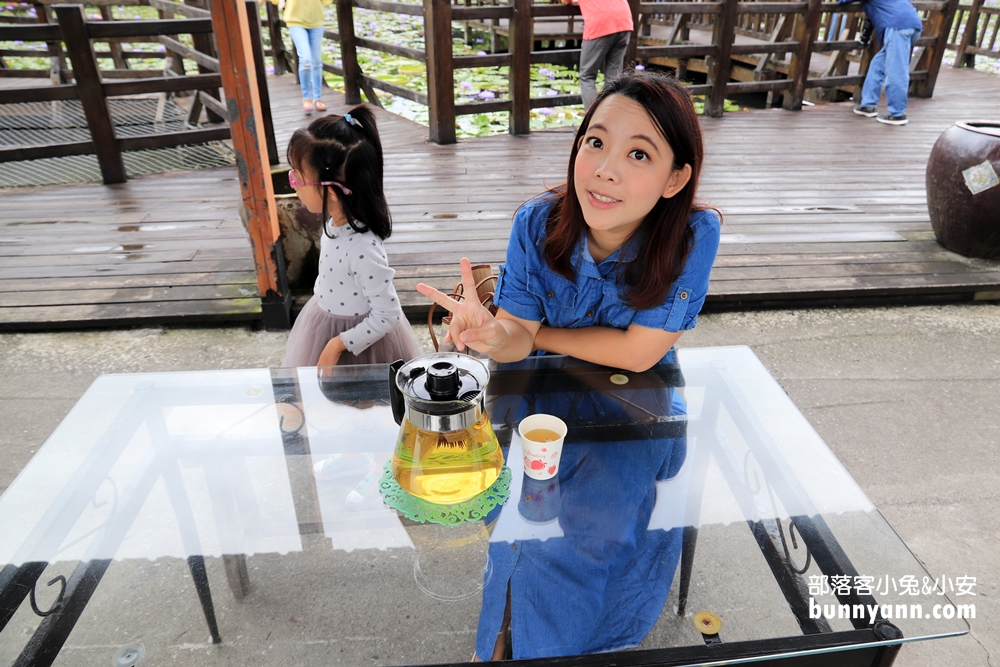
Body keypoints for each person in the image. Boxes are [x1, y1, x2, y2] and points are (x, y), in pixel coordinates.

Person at [417, 69, 720, 659]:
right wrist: (492, 334)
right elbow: (515, 337)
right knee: (514, 514)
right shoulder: (538, 221)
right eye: (595, 142)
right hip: (537, 385)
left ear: (674, 177)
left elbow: (638, 353)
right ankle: (511, 638)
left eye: (639, 153)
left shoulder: (691, 234)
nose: (605, 169)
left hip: (637, 394)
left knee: (592, 533)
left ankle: (557, 644)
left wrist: (536, 335)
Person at [282, 106, 422, 370]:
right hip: (324, 322)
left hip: (358, 346)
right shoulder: (334, 224)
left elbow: (388, 314)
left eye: (296, 178)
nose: (293, 185)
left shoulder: (362, 248)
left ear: (332, 193)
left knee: (358, 402)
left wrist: (338, 344)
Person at [843, 0, 923, 125]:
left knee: (896, 70)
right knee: (878, 63)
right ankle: (868, 104)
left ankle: (897, 114)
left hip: (897, 27)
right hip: (912, 24)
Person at [560, 0, 634, 109]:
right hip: (624, 22)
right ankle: (612, 118)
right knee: (614, 77)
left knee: (587, 76)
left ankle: (593, 119)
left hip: (601, 24)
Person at [272, 0, 331, 114]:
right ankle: (307, 98)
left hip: (316, 22)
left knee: (317, 61)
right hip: (295, 21)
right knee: (306, 59)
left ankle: (318, 98)